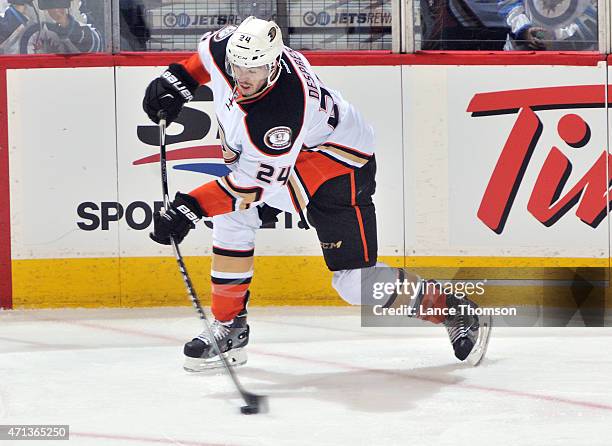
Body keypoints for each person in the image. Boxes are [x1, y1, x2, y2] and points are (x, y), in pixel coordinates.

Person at [142, 16, 490, 372]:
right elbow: (203, 59)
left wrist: (189, 208)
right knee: (233, 215)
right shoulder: (227, 48)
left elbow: (251, 186)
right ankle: (230, 325)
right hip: (292, 158)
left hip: (337, 165)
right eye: (237, 67)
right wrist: (176, 82)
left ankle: (451, 307)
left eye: (255, 69)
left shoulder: (281, 112)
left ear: (274, 64)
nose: (242, 77)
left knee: (355, 283)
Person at [0, 0, 101, 54]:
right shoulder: (5, 5)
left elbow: (96, 46)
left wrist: (65, 21)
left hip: (65, 80)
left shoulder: (75, 3)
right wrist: (17, 9)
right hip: (16, 82)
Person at [498, 0, 597, 50]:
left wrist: (555, 36)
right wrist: (523, 30)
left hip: (576, 63)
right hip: (518, 59)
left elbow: (598, 18)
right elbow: (507, 4)